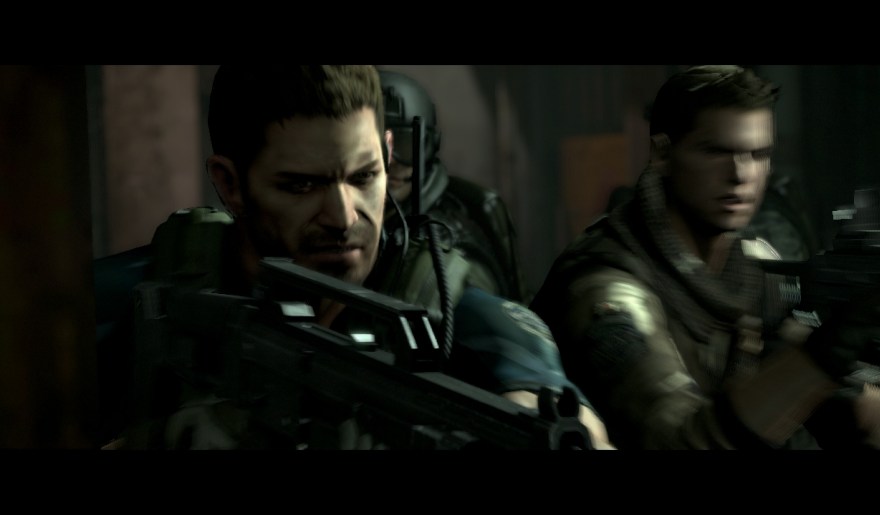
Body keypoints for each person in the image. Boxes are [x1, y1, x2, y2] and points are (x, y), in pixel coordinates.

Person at [101, 65, 610, 449]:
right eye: (302, 185)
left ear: (388, 154)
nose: (344, 217)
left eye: (364, 177)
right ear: (230, 184)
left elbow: (545, 400)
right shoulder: (138, 295)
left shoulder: (450, 309)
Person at [530, 65, 880, 450]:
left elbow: (786, 360)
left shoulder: (748, 265)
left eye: (758, 154)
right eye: (716, 152)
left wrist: (847, 403)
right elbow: (677, 440)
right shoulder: (608, 288)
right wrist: (822, 357)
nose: (740, 174)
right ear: (662, 154)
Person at [373, 70, 529, 306]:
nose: (389, 163)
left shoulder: (448, 241)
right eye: (375, 148)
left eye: (403, 145)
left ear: (428, 147)